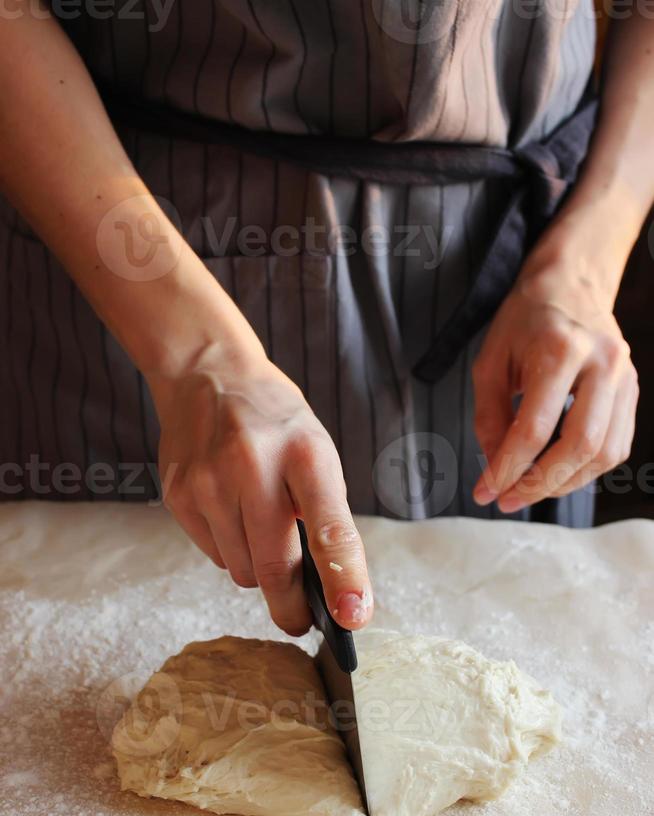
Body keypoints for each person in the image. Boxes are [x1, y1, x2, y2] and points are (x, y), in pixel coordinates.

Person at [0, 1, 650, 637]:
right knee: (98, 641)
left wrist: (585, 265)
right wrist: (195, 355)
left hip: (516, 292)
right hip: (138, 257)